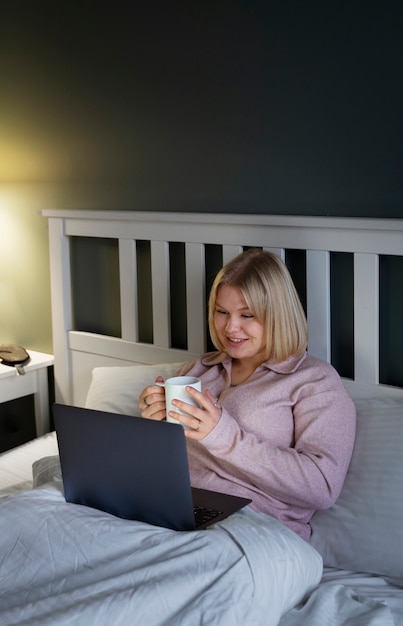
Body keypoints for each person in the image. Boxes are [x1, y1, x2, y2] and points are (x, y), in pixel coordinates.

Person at [139, 248, 356, 541]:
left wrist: (222, 435)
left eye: (247, 315)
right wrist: (153, 425)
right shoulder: (199, 370)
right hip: (175, 516)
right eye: (221, 312)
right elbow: (162, 463)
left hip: (258, 532)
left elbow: (322, 487)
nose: (231, 327)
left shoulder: (314, 381)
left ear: (278, 315)